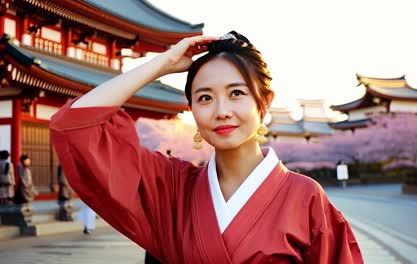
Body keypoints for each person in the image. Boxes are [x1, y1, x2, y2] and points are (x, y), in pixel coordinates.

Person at [50, 31, 363, 263]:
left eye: (236, 93)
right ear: (191, 109)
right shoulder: (170, 188)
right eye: (205, 97)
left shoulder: (306, 198)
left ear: (264, 102)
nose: (221, 110)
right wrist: (163, 63)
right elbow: (74, 128)